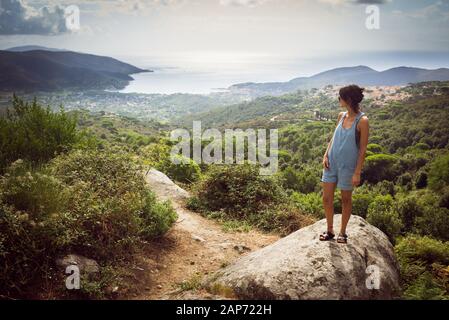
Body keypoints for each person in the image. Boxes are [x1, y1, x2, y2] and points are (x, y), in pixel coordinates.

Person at [319, 85, 369, 244]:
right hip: (331, 163)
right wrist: (326, 154)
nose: (338, 100)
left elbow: (362, 149)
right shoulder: (341, 116)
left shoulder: (362, 121)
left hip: (348, 167)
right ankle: (330, 230)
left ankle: (342, 233)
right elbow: (333, 138)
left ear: (347, 100)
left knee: (345, 200)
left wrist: (357, 172)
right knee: (326, 198)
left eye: (340, 97)